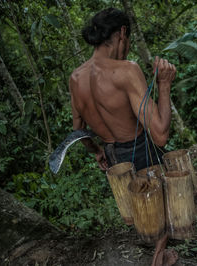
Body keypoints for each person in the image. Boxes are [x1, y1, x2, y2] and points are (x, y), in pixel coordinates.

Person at [69, 8, 177, 266]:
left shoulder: (75, 78)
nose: (127, 47)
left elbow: (77, 129)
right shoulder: (126, 70)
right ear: (122, 34)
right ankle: (159, 257)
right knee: (166, 200)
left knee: (140, 205)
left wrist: (96, 151)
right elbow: (160, 135)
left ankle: (155, 246)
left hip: (112, 153)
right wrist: (164, 85)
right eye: (127, 41)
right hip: (139, 148)